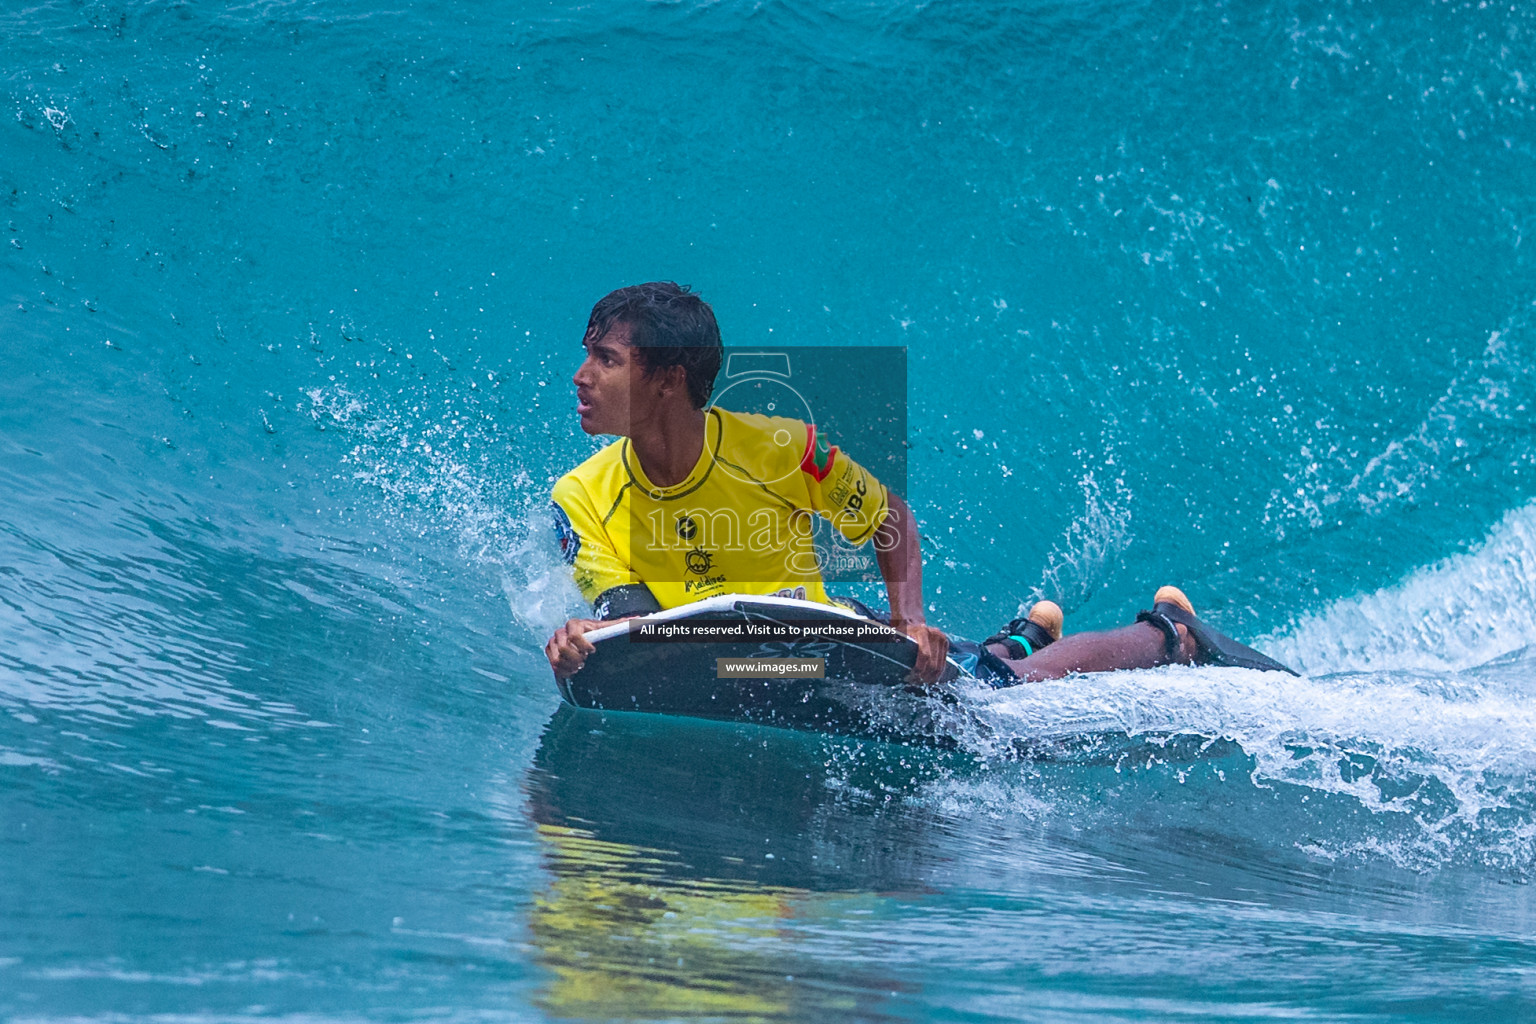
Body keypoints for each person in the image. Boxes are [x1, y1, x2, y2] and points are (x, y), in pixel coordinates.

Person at [543, 282, 1293, 685]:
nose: (581, 378)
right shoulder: (579, 497)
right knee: (978, 663)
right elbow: (627, 614)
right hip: (729, 658)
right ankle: (1021, 633)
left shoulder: (778, 449)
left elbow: (888, 520)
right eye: (588, 356)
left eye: (605, 359)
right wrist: (583, 647)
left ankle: (1167, 634)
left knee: (998, 694)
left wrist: (907, 623)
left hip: (825, 643)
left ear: (670, 381)